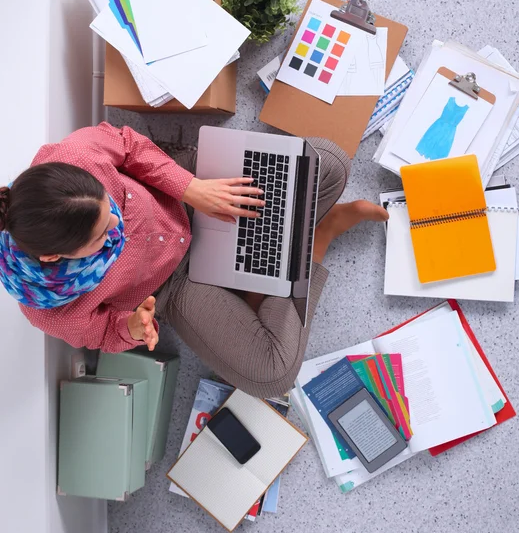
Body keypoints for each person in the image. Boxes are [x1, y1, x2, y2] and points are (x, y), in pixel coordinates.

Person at [0, 123, 387, 398]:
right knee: (273, 374)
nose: (117, 225)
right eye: (102, 236)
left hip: (190, 198)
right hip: (173, 287)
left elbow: (130, 145)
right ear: (54, 257)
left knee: (330, 164)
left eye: (111, 206)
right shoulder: (49, 309)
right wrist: (133, 328)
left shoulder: (72, 156)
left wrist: (193, 188)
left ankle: (257, 283)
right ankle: (319, 237)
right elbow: (103, 334)